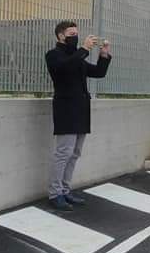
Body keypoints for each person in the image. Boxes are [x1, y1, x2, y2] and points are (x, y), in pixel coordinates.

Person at [45, 21, 111, 212]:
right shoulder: (54, 55)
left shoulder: (77, 57)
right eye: (71, 34)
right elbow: (64, 68)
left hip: (81, 110)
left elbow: (98, 72)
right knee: (63, 153)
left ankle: (65, 190)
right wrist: (84, 49)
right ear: (60, 36)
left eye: (76, 33)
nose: (75, 36)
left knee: (74, 153)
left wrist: (104, 54)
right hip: (66, 109)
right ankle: (55, 193)